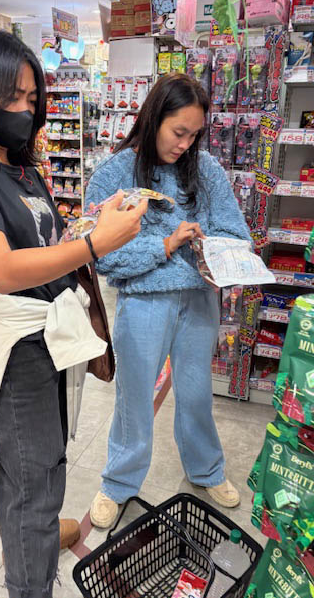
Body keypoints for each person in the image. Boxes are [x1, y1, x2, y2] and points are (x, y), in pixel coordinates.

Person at [0, 27, 146, 598]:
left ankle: (42, 536)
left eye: (32, 98)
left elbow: (43, 242)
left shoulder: (21, 167)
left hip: (50, 336)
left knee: (49, 458)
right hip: (16, 347)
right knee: (30, 477)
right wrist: (96, 245)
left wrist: (91, 224)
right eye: (13, 97)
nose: (26, 111)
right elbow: (2, 269)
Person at [87, 73, 252, 529]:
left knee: (197, 393)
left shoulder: (207, 170)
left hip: (198, 300)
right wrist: (164, 245)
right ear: (154, 117)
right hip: (143, 303)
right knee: (134, 397)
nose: (185, 144)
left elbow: (236, 233)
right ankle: (118, 482)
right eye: (179, 132)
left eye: (194, 135)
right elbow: (103, 255)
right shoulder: (114, 174)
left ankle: (206, 469)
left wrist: (205, 245)